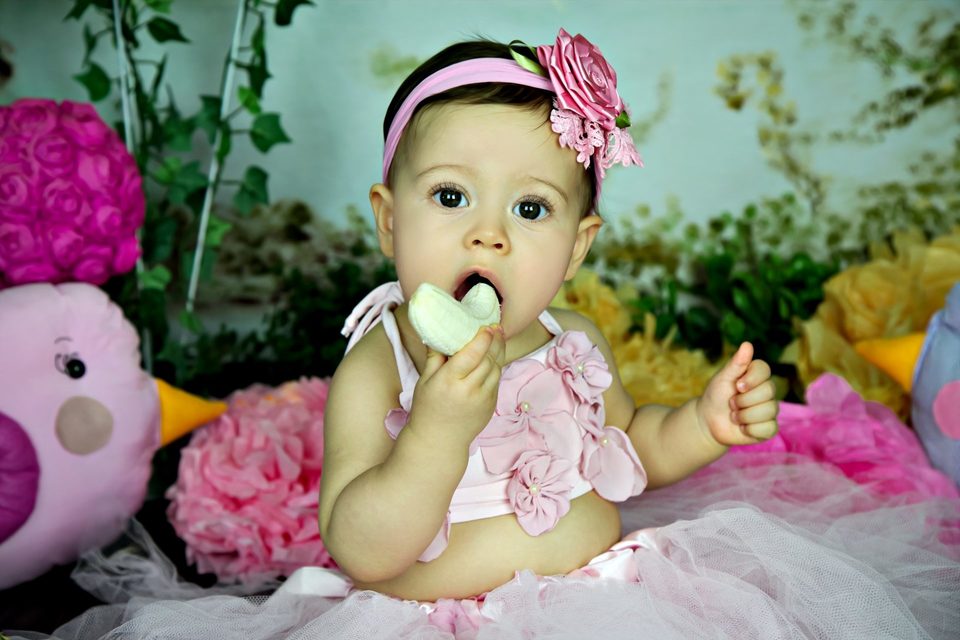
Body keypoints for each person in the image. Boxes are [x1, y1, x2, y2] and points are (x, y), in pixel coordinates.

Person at [319, 28, 780, 602]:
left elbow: (629, 444)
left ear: (576, 249)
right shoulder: (377, 368)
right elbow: (360, 550)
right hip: (445, 622)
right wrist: (436, 432)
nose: (489, 234)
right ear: (390, 222)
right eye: (451, 196)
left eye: (531, 208)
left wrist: (703, 426)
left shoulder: (572, 342)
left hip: (603, 600)